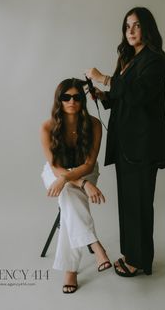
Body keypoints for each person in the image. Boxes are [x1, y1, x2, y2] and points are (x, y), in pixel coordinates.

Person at [86, 7, 165, 277]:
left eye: (136, 25)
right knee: (128, 202)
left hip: (144, 144)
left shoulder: (156, 59)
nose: (130, 31)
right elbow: (123, 97)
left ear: (147, 27)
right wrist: (102, 95)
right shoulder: (127, 57)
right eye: (126, 26)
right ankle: (132, 255)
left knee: (141, 203)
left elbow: (141, 95)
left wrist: (106, 79)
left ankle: (139, 260)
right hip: (124, 143)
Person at [40, 78, 112, 294]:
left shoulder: (94, 125)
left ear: (82, 100)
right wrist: (80, 183)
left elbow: (89, 163)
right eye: (66, 97)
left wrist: (76, 179)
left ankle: (70, 271)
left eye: (77, 97)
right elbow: (54, 167)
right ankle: (95, 245)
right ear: (59, 100)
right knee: (71, 194)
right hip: (56, 172)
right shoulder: (47, 127)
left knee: (69, 198)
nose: (71, 101)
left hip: (86, 170)